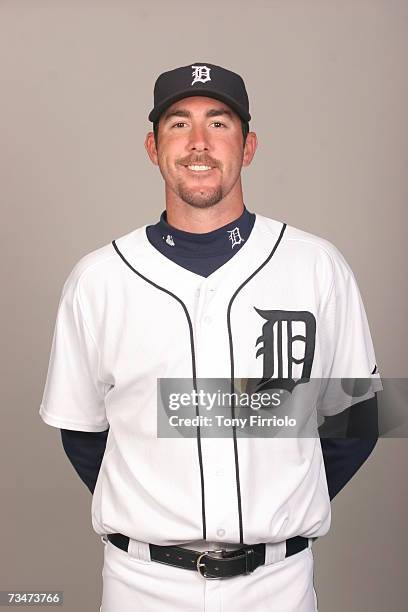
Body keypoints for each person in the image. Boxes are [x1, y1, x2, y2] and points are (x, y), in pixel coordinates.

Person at [39, 62, 382, 612]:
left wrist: (282, 506)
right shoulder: (97, 279)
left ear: (248, 148)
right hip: (142, 587)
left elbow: (357, 421)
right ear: (153, 147)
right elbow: (82, 435)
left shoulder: (317, 266)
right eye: (179, 124)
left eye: (219, 124)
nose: (199, 143)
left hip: (279, 585)